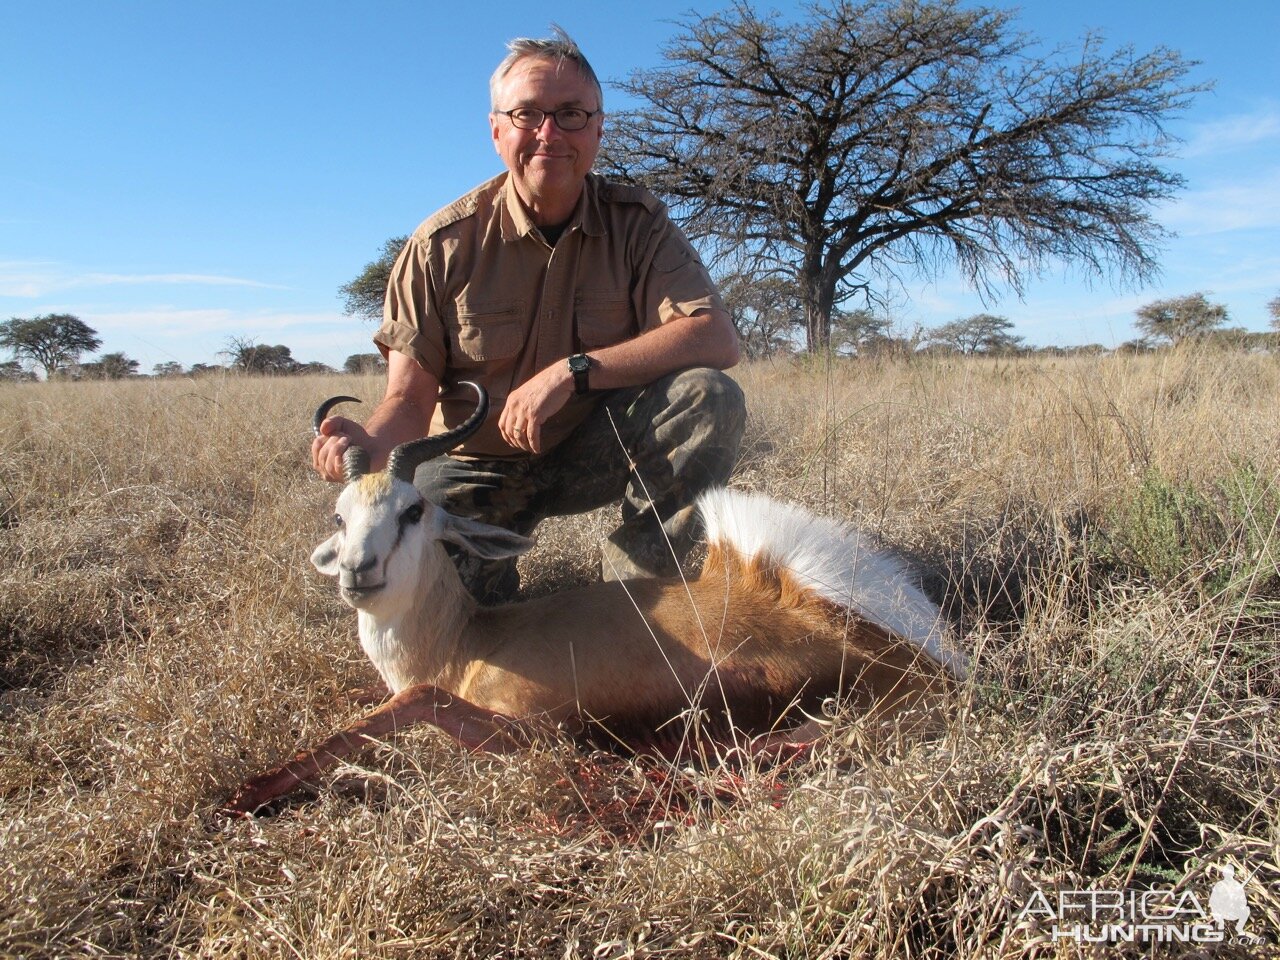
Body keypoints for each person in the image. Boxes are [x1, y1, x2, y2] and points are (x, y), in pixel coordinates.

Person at [313, 28, 745, 604]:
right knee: (448, 608)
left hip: (593, 449)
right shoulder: (438, 246)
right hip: (476, 469)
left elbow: (715, 336)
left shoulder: (640, 225)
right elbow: (411, 402)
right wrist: (368, 443)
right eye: (527, 114)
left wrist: (573, 370)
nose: (550, 134)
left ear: (598, 128)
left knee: (708, 396)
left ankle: (636, 608)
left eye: (571, 114)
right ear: (496, 130)